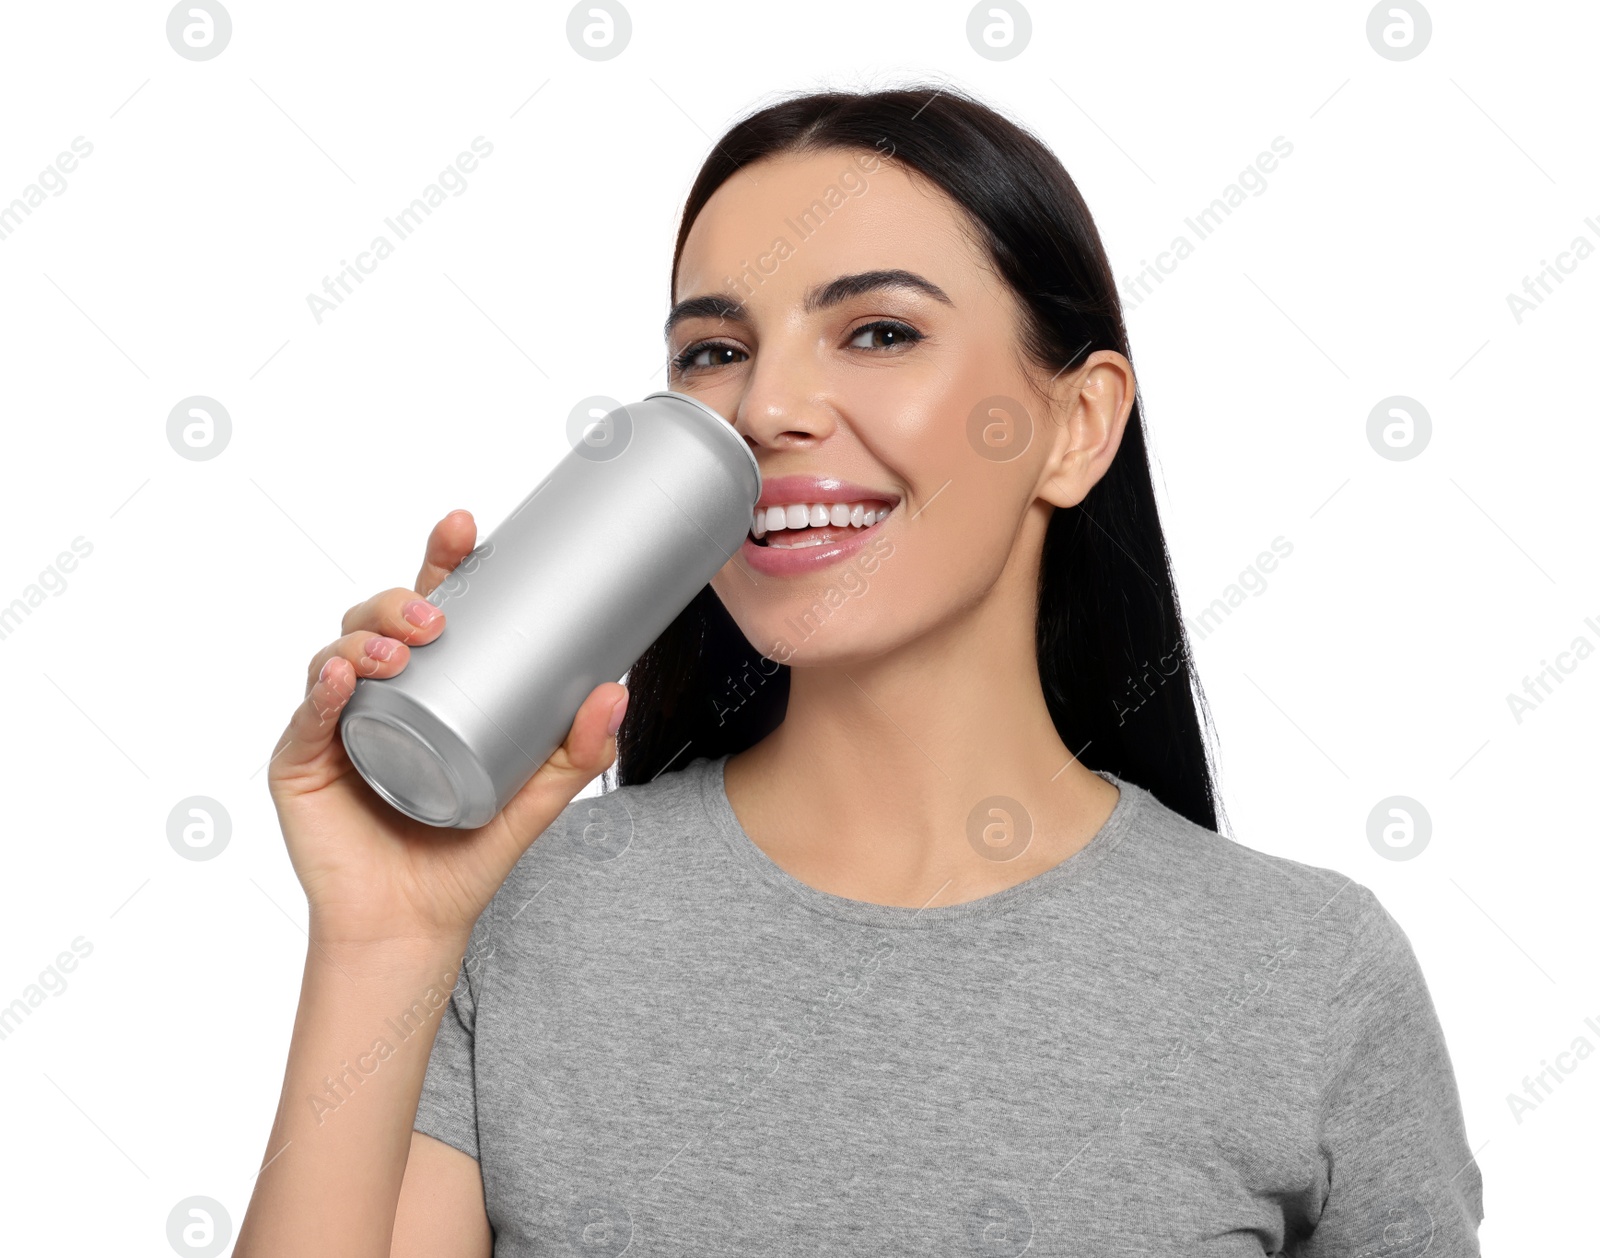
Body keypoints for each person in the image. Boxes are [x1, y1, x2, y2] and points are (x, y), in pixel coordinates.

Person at [235, 84, 1484, 1256]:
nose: (769, 404)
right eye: (714, 350)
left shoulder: (1305, 971)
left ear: (1075, 425)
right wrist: (381, 933)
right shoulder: (521, 921)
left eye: (878, 331)